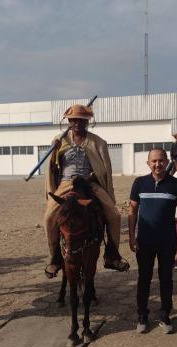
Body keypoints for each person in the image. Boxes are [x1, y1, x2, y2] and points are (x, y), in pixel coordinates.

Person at [44, 104, 129, 278]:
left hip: (90, 183)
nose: (76, 123)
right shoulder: (59, 140)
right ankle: (55, 258)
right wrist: (54, 152)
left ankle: (112, 255)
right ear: (68, 121)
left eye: (81, 120)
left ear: (87, 121)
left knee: (114, 215)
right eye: (73, 120)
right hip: (66, 183)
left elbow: (104, 169)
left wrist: (90, 177)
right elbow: (52, 167)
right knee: (48, 218)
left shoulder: (98, 142)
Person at [129, 148, 177, 334]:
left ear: (167, 161)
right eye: (154, 161)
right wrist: (131, 236)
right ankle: (142, 316)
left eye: (161, 160)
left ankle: (164, 314)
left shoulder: (176, 184)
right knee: (144, 278)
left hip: (168, 241)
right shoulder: (139, 183)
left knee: (166, 278)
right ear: (148, 163)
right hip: (145, 241)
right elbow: (132, 212)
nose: (157, 164)